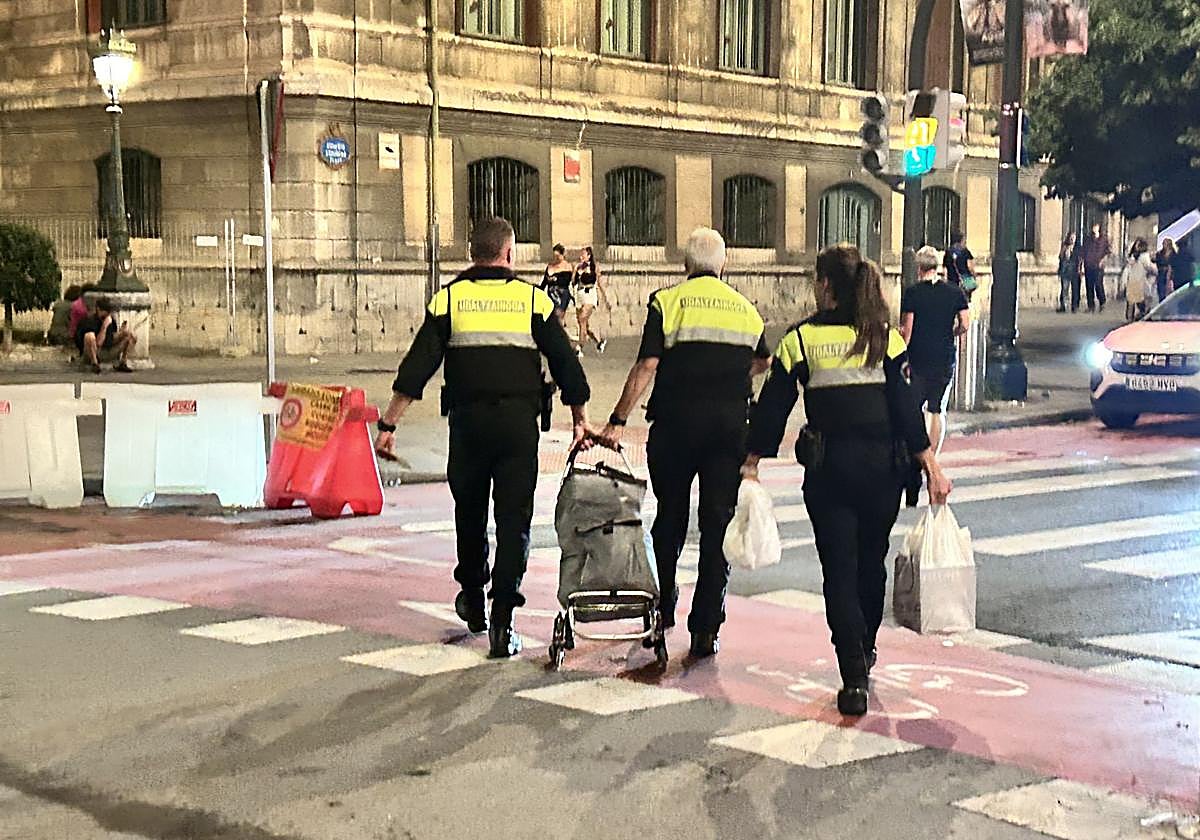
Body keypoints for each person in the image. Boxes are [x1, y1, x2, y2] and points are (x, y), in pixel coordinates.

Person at [742, 245, 952, 717]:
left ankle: (852, 674)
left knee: (838, 570)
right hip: (883, 472)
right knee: (870, 565)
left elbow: (774, 405)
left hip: (830, 472)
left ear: (826, 285)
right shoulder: (885, 339)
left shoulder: (800, 340)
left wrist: (752, 460)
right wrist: (930, 464)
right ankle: (867, 644)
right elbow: (906, 411)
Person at [375, 217, 593, 659]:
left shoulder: (448, 300)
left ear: (472, 252)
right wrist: (580, 420)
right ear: (509, 254)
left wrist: (389, 426)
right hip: (517, 426)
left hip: (468, 424)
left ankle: (473, 598)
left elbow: (417, 366)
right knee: (514, 520)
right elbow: (565, 363)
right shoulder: (533, 301)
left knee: (469, 512)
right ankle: (503, 618)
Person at [597, 228, 770, 659]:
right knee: (717, 527)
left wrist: (618, 419)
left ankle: (663, 605)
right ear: (723, 265)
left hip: (675, 426)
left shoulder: (667, 302)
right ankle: (706, 628)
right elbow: (763, 360)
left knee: (670, 517)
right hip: (729, 430)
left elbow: (647, 365)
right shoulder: (746, 310)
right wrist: (729, 376)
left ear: (686, 265)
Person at [900, 246, 969, 453]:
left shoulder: (912, 293)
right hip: (944, 357)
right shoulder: (954, 292)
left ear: (919, 268)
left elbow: (907, 331)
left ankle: (918, 453)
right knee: (936, 409)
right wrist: (953, 332)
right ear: (937, 267)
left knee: (915, 407)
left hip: (919, 358)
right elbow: (965, 323)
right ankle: (933, 455)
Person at [75, 296, 136, 373]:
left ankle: (123, 362)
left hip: (107, 351)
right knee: (89, 336)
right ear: (98, 309)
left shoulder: (110, 320)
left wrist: (121, 333)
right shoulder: (90, 321)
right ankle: (95, 364)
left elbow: (110, 340)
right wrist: (104, 326)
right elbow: (98, 343)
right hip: (92, 353)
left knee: (130, 334)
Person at [573, 246, 609, 357]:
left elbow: (599, 283)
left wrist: (605, 298)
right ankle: (599, 342)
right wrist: (576, 271)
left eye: (583, 254)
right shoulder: (578, 267)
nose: (581, 256)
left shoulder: (594, 267)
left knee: (582, 318)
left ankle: (579, 347)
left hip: (590, 294)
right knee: (584, 325)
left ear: (589, 255)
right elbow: (573, 281)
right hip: (580, 294)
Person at [542, 244, 575, 333]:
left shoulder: (567, 266)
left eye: (558, 256)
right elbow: (544, 282)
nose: (556, 258)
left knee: (559, 314)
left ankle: (559, 336)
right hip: (551, 294)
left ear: (562, 255)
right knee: (552, 316)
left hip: (562, 293)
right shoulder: (550, 266)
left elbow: (566, 281)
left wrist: (554, 279)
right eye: (554, 256)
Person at [1081, 222, 1111, 312]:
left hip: (1098, 266)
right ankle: (1091, 305)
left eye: (1096, 227)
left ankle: (1102, 302)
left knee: (1098, 284)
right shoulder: (1088, 239)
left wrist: (1103, 260)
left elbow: (1108, 252)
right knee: (1089, 286)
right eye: (1093, 227)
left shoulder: (1103, 239)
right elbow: (1084, 251)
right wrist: (1082, 263)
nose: (1094, 229)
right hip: (1088, 265)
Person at [1123, 238, 1154, 320]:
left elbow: (1147, 266)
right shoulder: (1134, 256)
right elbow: (1148, 266)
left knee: (1137, 299)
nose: (1136, 247)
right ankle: (1132, 316)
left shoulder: (1142, 256)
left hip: (1138, 279)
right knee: (1133, 299)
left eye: (1138, 245)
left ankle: (1136, 315)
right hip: (1134, 279)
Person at [942, 231, 976, 299]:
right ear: (961, 240)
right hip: (966, 279)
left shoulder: (948, 252)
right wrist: (974, 275)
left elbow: (944, 269)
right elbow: (970, 266)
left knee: (952, 298)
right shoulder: (965, 251)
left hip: (951, 280)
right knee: (964, 299)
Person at [1057, 233, 1083, 313]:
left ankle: (1074, 306)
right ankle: (1063, 305)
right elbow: (1061, 258)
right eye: (1071, 238)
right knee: (1064, 289)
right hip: (1065, 271)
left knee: (1075, 289)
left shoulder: (1078, 248)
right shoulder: (1064, 247)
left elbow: (1080, 259)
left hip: (1075, 271)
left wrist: (1080, 269)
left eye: (1074, 238)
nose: (1072, 239)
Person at [1154, 238, 1178, 303]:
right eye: (1163, 243)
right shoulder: (1159, 254)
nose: (1163, 245)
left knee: (1169, 292)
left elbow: (1175, 264)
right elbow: (1157, 263)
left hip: (1170, 275)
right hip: (1161, 274)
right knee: (1161, 292)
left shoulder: (1174, 254)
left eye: (1165, 243)